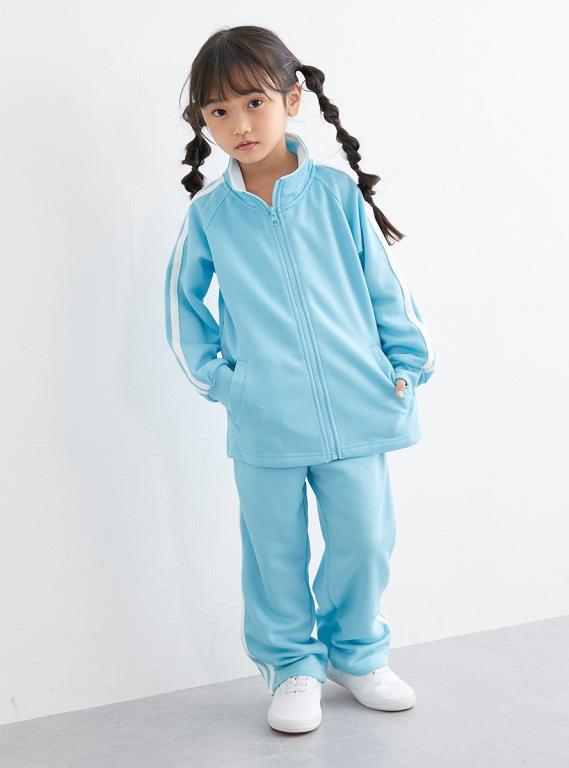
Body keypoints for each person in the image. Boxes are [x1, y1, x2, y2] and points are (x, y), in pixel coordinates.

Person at [164, 25, 437, 734]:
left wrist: (407, 364)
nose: (239, 124)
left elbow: (387, 287)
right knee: (274, 553)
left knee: (364, 542)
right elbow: (182, 312)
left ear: (291, 100)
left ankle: (357, 655)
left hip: (356, 406)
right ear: (204, 121)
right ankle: (292, 666)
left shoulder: (339, 195)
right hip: (266, 421)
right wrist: (228, 384)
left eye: (253, 102)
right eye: (219, 111)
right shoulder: (210, 215)